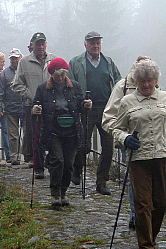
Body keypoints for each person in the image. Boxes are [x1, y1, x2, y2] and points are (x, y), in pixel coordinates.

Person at [112, 59, 166, 249]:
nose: (146, 85)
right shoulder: (127, 101)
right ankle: (146, 248)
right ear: (136, 82)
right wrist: (125, 138)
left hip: (162, 156)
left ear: (156, 80)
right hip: (139, 158)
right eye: (142, 81)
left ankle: (151, 238)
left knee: (162, 202)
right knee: (142, 203)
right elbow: (117, 129)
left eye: (150, 81)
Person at [32, 58, 92, 206]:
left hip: (72, 130)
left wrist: (86, 105)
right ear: (52, 74)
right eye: (57, 75)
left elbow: (80, 106)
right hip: (52, 130)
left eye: (63, 74)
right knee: (57, 161)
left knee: (69, 164)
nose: (60, 78)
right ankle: (55, 193)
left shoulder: (75, 87)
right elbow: (36, 105)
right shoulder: (42, 88)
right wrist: (35, 110)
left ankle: (63, 191)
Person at [102, 56, 152, 229]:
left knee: (152, 180)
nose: (146, 83)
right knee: (135, 179)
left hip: (154, 143)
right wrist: (123, 136)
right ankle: (136, 216)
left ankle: (147, 214)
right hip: (130, 142)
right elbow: (108, 117)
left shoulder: (156, 88)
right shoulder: (122, 87)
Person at [68, 31, 121, 195]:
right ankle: (77, 168)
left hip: (107, 111)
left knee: (108, 148)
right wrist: (79, 102)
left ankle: (102, 182)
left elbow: (119, 82)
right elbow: (69, 85)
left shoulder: (109, 62)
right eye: (92, 43)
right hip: (85, 110)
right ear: (85, 45)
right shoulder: (76, 62)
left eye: (98, 43)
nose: (95, 46)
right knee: (83, 145)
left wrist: (118, 102)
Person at [12, 32, 57, 178]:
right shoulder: (24, 62)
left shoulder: (54, 59)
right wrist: (31, 94)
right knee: (35, 137)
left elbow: (62, 78)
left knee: (54, 135)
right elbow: (16, 84)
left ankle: (51, 162)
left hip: (53, 105)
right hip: (32, 106)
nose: (41, 46)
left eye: (43, 43)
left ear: (46, 44)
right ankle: (38, 167)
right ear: (32, 45)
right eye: (38, 44)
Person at [0, 48, 23, 165]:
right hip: (11, 108)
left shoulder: (25, 70)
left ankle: (28, 156)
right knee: (13, 135)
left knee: (28, 134)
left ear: (20, 58)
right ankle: (14, 157)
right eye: (12, 59)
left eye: (16, 58)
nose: (14, 61)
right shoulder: (4, 74)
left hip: (26, 106)